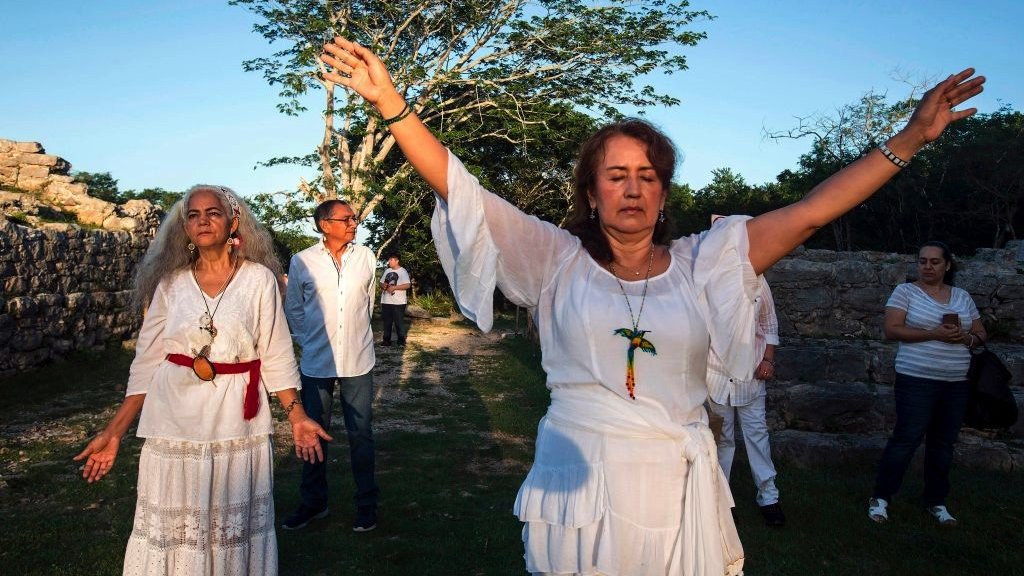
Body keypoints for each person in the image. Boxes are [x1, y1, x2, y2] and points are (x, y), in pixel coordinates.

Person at [321, 37, 984, 574]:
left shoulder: (706, 260)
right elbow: (458, 186)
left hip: (677, 482)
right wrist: (392, 103)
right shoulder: (554, 258)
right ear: (590, 193)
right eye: (616, 175)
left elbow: (809, 213)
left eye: (648, 176)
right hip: (582, 485)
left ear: (664, 194)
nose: (633, 189)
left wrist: (911, 137)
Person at [74, 185, 331, 575]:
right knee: (177, 526)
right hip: (173, 417)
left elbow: (276, 355)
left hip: (235, 420)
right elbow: (146, 364)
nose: (202, 220)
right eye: (193, 215)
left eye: (212, 212)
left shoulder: (259, 280)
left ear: (234, 221)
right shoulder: (171, 284)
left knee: (229, 529)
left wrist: (296, 415)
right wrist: (114, 432)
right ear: (185, 227)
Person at [868, 241, 987, 527]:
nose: (927, 267)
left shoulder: (962, 296)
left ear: (947, 265)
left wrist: (966, 339)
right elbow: (892, 329)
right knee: (906, 439)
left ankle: (936, 501)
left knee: (943, 444)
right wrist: (934, 333)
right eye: (923, 261)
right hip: (917, 379)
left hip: (955, 382)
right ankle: (881, 497)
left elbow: (981, 333)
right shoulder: (905, 292)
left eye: (934, 262)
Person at [282, 199, 380, 532]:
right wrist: (307, 341)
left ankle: (366, 506)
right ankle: (313, 503)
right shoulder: (302, 261)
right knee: (312, 435)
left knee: (361, 435)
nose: (354, 223)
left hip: (358, 360)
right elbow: (294, 308)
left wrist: (355, 335)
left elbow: (368, 301)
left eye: (355, 218)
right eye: (347, 218)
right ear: (325, 224)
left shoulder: (366, 257)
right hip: (316, 363)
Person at [707, 274, 785, 526]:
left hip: (751, 374)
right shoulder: (708, 278)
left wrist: (768, 359)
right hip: (715, 375)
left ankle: (769, 497)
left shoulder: (758, 281)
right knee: (722, 440)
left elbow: (769, 323)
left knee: (757, 436)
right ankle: (722, 501)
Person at [379, 253, 412, 346]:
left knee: (399, 322)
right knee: (387, 322)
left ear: (397, 261)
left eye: (391, 260)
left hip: (398, 302)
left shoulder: (403, 271)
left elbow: (408, 285)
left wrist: (394, 288)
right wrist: (383, 285)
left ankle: (401, 341)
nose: (389, 262)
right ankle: (386, 341)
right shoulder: (387, 271)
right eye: (389, 260)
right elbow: (381, 282)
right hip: (386, 300)